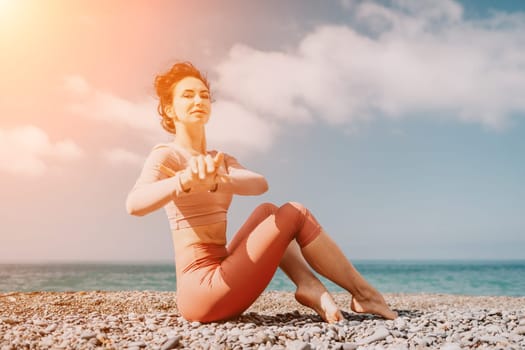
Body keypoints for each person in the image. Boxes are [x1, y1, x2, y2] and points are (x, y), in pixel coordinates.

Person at [126, 61, 397, 323]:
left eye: (204, 95)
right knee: (295, 213)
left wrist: (218, 180)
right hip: (202, 290)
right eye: (187, 95)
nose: (198, 100)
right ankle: (364, 294)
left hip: (222, 270)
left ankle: (308, 285)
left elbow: (259, 183)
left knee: (268, 212)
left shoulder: (219, 160)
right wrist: (183, 180)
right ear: (170, 110)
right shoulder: (167, 156)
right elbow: (135, 204)